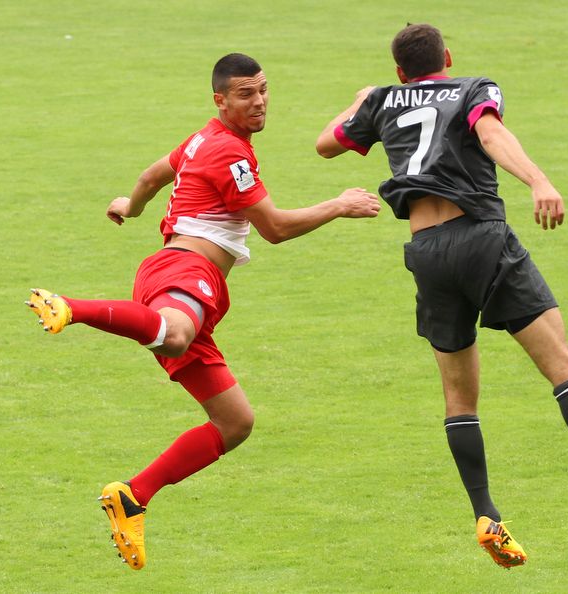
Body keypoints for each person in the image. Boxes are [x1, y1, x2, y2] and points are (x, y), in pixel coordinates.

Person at [315, 23, 568, 568]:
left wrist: (361, 99)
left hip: (426, 253)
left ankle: (486, 516)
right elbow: (490, 135)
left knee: (459, 397)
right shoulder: (473, 88)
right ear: (447, 57)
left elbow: (325, 145)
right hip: (481, 238)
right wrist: (539, 180)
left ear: (399, 72)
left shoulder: (383, 100)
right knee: (561, 363)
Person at [26, 53, 380, 570]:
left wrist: (130, 206)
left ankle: (132, 496)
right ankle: (70, 308)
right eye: (245, 94)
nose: (259, 101)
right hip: (184, 272)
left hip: (183, 279)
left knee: (235, 422)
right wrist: (340, 205)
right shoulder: (228, 153)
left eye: (263, 90)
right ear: (220, 100)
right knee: (173, 334)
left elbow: (152, 176)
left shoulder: (200, 140)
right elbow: (275, 229)